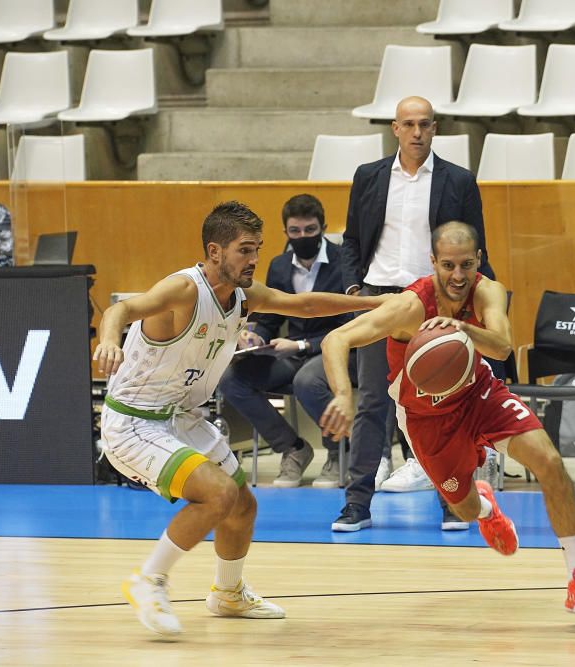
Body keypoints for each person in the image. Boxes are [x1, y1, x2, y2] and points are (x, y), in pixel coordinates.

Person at [93, 201, 387, 637]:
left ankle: (228, 595)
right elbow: (122, 309)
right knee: (216, 495)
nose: (254, 260)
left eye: (257, 250)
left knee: (242, 505)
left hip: (183, 417)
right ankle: (149, 580)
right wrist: (109, 341)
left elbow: (303, 305)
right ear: (215, 251)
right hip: (136, 422)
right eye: (244, 251)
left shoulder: (242, 296)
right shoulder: (183, 290)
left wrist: (379, 303)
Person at [320, 221, 575, 617]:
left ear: (479, 261)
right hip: (427, 419)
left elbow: (504, 347)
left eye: (467, 265)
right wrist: (342, 394)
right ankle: (487, 508)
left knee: (550, 463)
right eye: (449, 266)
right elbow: (335, 339)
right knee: (464, 509)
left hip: (479, 394)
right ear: (433, 262)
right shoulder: (410, 305)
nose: (458, 276)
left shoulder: (486, 290)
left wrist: (461, 328)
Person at [336, 95, 495, 531]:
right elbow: (352, 241)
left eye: (425, 124)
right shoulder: (368, 176)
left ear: (435, 128)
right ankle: (357, 505)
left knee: (443, 404)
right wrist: (355, 290)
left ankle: (453, 502)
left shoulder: (458, 181)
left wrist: (481, 305)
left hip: (434, 301)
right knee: (372, 403)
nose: (417, 132)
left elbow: (477, 247)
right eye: (409, 124)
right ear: (395, 129)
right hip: (381, 299)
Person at [218, 194, 356, 488]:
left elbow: (350, 324)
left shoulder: (345, 261)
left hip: (336, 352)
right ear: (285, 232)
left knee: (308, 380)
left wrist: (302, 345)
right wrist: (255, 335)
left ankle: (338, 450)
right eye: (295, 231)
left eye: (310, 230)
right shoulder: (280, 265)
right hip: (290, 355)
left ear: (322, 227)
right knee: (231, 379)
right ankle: (292, 449)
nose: (302, 237)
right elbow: (270, 319)